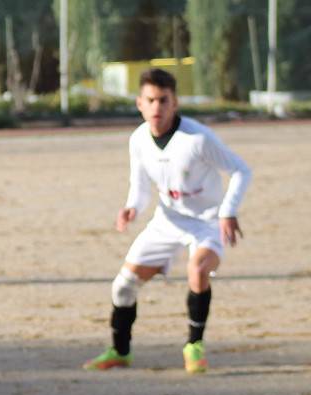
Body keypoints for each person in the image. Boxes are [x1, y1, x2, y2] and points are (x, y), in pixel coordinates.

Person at [83, 68, 251, 374]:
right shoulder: (138, 140)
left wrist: (228, 210)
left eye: (164, 100)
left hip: (206, 221)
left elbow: (241, 169)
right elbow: (140, 186)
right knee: (122, 287)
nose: (157, 107)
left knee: (198, 269)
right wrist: (132, 207)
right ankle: (120, 352)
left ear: (175, 103)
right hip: (168, 220)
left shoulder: (198, 138)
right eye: (151, 100)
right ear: (139, 104)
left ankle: (194, 346)